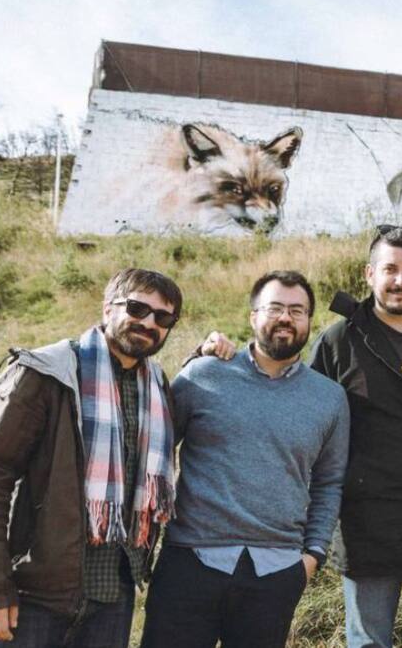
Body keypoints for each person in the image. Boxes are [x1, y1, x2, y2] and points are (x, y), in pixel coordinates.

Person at [199, 225, 402, 647]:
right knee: (368, 642)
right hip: (370, 525)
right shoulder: (339, 341)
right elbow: (300, 407)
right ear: (369, 274)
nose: (400, 280)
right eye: (390, 269)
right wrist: (222, 354)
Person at [0, 269, 182, 648]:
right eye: (137, 308)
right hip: (33, 595)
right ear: (108, 308)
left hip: (112, 597)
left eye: (163, 317)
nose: (148, 322)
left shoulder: (157, 388)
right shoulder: (46, 374)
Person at [140, 270, 349, 648]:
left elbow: (329, 482)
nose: (286, 317)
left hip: (276, 571)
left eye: (297, 310)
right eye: (275, 308)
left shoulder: (329, 398)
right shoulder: (204, 374)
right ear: (253, 317)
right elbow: (156, 447)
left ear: (308, 322)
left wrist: (312, 556)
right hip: (189, 563)